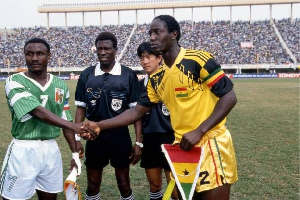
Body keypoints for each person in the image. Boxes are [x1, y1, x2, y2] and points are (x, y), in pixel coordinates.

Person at [82, 15, 238, 200]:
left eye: (157, 32)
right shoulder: (157, 78)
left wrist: (200, 130)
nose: (152, 37)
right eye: (150, 33)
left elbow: (229, 97)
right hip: (182, 147)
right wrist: (100, 125)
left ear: (174, 34)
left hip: (210, 144)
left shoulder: (197, 60)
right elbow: (136, 112)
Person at [0, 38, 96, 200]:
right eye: (30, 54)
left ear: (48, 55)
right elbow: (37, 111)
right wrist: (74, 127)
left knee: (50, 197)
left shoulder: (60, 84)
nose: (35, 58)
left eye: (40, 53)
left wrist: (74, 154)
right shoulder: (14, 81)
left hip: (51, 150)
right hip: (23, 150)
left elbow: (65, 118)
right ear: (24, 56)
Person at [74, 32, 141, 200]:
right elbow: (81, 108)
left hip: (120, 137)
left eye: (107, 48)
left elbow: (136, 113)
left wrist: (139, 141)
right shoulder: (87, 74)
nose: (103, 52)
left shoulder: (128, 75)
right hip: (93, 138)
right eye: (99, 49)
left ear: (115, 50)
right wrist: (77, 138)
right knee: (92, 185)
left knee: (124, 184)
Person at [137, 42, 178, 200]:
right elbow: (137, 116)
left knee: (175, 189)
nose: (145, 61)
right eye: (142, 58)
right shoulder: (140, 85)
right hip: (150, 140)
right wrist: (139, 142)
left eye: (148, 57)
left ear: (159, 58)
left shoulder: (171, 79)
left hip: (171, 138)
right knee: (154, 185)